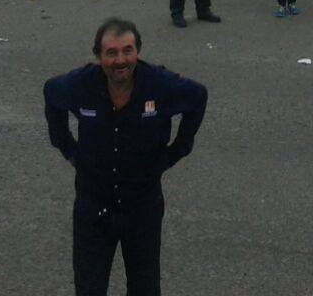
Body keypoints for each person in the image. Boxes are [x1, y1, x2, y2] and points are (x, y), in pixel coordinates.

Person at [43, 17, 208, 296]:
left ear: (138, 51)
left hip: (142, 209)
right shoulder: (80, 85)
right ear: (98, 56)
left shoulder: (160, 84)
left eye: (128, 50)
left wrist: (178, 149)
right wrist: (67, 147)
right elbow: (51, 92)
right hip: (93, 209)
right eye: (112, 53)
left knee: (145, 288)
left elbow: (198, 96)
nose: (121, 60)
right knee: (89, 289)